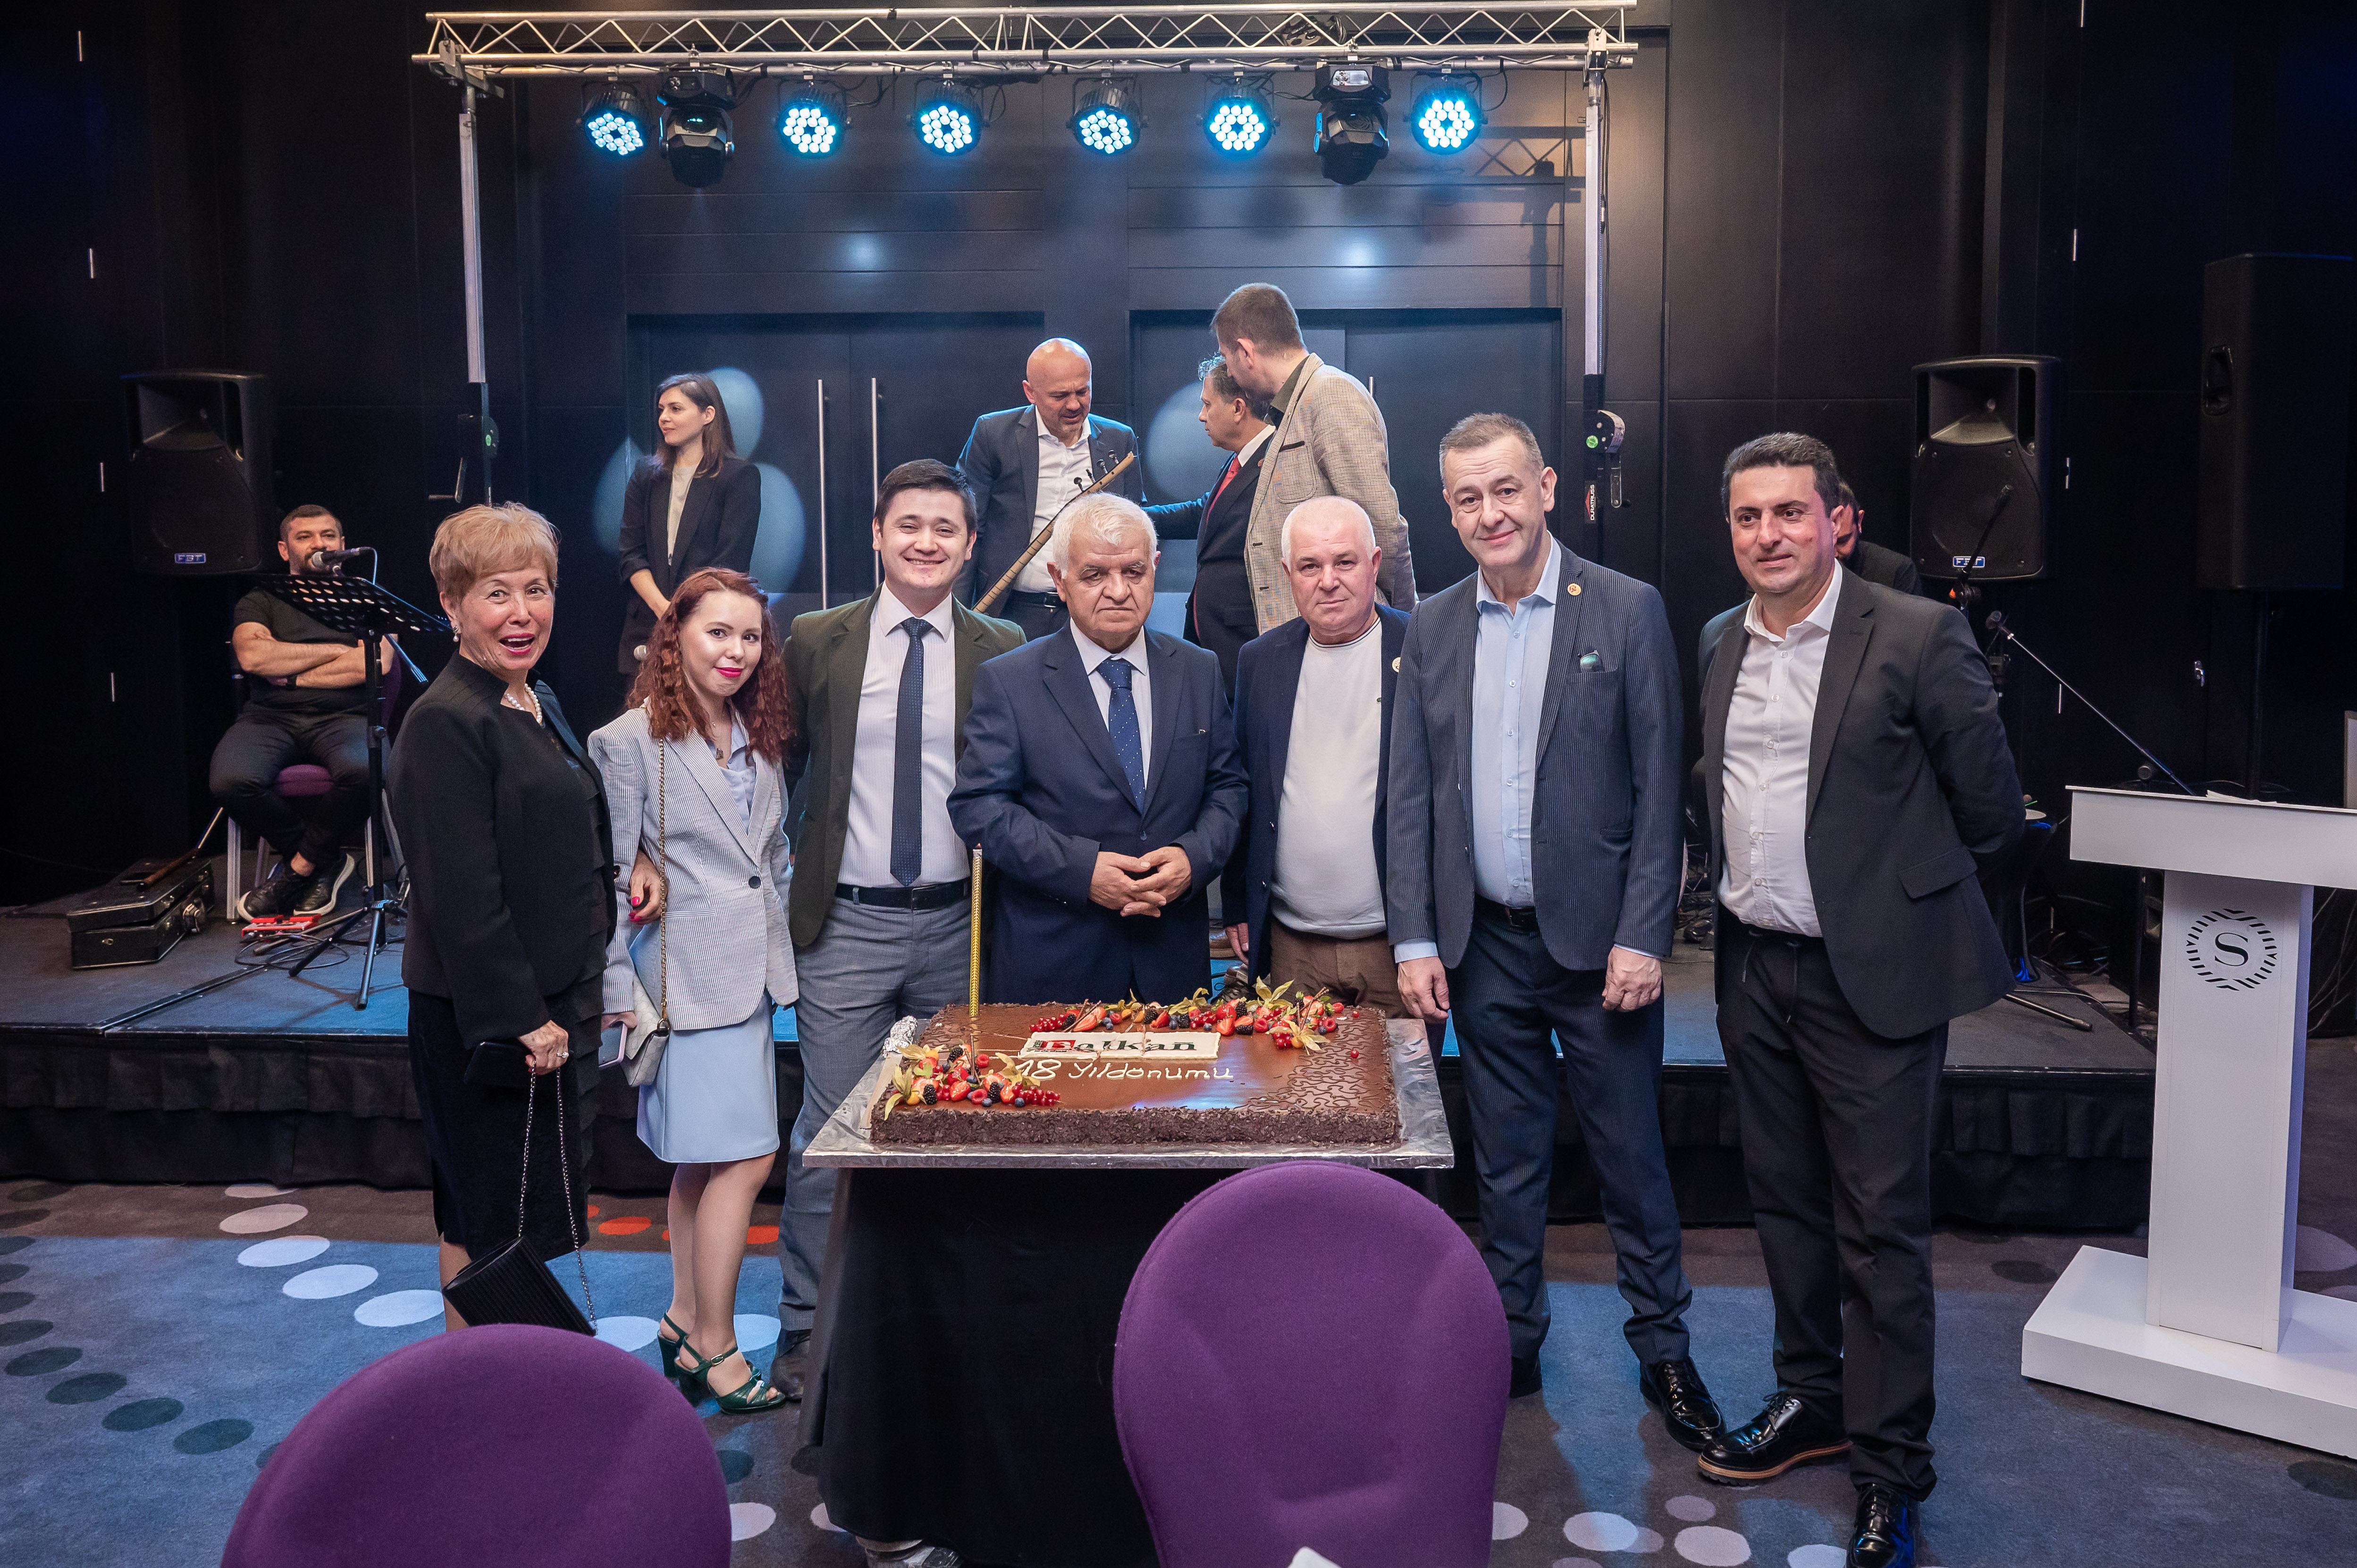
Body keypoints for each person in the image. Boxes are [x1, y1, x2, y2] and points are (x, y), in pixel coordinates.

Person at [1692, 434, 2020, 1568]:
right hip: (1754, 967)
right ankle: (1812, 1397)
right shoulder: (1716, 638)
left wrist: (1893, 906)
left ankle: (1889, 1464)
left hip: (1869, 978)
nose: (1768, 534)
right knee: (1783, 1201)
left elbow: (1990, 811)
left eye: (1789, 512)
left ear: (1836, 518)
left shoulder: (1917, 634)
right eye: (1747, 516)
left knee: (1881, 1233)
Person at [1387, 414, 1721, 1446]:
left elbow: (1661, 788)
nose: (1489, 513)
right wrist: (1413, 938)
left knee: (1630, 1158)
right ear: (1448, 511)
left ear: (1543, 487)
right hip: (1481, 945)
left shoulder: (1624, 608)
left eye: (1504, 489)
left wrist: (1643, 932)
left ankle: (1663, 1349)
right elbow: (1409, 794)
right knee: (1506, 1162)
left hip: (1598, 949)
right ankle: (1512, 1340)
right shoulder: (1430, 624)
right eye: (1466, 498)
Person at [775, 461, 1022, 1371]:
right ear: (877, 535)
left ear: (969, 544)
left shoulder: (1001, 646)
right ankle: (809, 1326)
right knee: (831, 1129)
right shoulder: (815, 640)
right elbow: (772, 762)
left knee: (954, 1127)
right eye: (908, 524)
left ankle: (940, 1320)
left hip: (961, 927)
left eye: (944, 527)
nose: (926, 541)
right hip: (845, 924)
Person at [389, 503, 614, 1335]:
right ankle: (481, 1389)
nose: (522, 612)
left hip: (554, 996)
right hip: (491, 1019)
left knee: (513, 1220)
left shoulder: (531, 695)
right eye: (496, 593)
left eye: (537, 589)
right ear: (451, 604)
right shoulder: (446, 719)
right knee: (491, 1224)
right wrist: (522, 1015)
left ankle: (490, 1382)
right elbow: (460, 895)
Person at [592, 569, 800, 1414]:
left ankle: (684, 1319)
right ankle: (717, 1345)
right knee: (745, 1159)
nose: (736, 650)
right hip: (683, 984)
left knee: (706, 1161)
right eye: (718, 632)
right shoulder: (627, 740)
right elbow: (610, 876)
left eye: (750, 636)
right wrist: (617, 990)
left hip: (751, 980)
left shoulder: (756, 729)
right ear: (674, 634)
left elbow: (769, 855)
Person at [949, 494, 1247, 1004]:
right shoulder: (1010, 681)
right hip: (1054, 969)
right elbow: (978, 808)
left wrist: (1193, 858)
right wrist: (1082, 871)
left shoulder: (1198, 669)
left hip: (1172, 968)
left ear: (1155, 568)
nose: (1118, 591)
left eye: (1133, 571)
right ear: (1059, 579)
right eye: (1094, 575)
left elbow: (1228, 787)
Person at [1221, 497, 1411, 1014]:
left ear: (1374, 565)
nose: (1328, 581)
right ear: (1288, 574)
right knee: (1294, 1073)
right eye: (1309, 566)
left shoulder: (1420, 647)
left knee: (1402, 1072)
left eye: (1344, 561)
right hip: (1291, 949)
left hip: (1398, 947)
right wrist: (1236, 901)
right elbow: (1243, 786)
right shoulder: (1259, 661)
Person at [211, 504, 386, 922]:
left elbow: (374, 664)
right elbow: (254, 657)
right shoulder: (261, 600)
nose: (318, 544)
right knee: (230, 782)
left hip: (345, 717)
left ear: (343, 545)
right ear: (284, 549)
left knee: (366, 770)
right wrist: (337, 649)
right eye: (305, 537)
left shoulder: (366, 597)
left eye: (328, 535)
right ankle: (326, 861)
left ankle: (298, 871)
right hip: (268, 719)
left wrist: (290, 674)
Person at [1211, 282, 1417, 629]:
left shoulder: (1330, 393)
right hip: (1312, 638)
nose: (1229, 372)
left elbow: (1381, 523)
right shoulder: (1293, 405)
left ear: (1245, 352)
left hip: (1347, 636)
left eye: (1226, 358)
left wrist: (1407, 628)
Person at [957, 338, 1145, 640]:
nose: (1074, 405)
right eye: (1060, 396)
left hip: (1094, 611)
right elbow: (966, 527)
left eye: (1083, 392)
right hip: (1012, 610)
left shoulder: (1119, 440)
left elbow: (1134, 527)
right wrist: (956, 616)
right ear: (1030, 392)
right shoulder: (993, 434)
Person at [617, 374, 761, 682]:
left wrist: (685, 615)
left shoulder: (738, 477)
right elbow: (631, 555)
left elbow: (730, 564)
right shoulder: (646, 474)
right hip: (647, 630)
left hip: (709, 630)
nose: (664, 418)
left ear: (707, 415)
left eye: (675, 409)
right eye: (661, 410)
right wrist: (664, 609)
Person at [1143, 355, 1273, 693]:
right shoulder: (1239, 459)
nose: (1201, 416)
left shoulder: (1279, 464)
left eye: (1207, 404)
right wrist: (1134, 517)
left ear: (1238, 408)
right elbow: (1204, 512)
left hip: (1244, 644)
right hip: (1215, 639)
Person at [1832, 481, 1923, 594]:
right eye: (1825, 543)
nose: (1833, 553)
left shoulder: (1897, 572)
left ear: (1859, 521)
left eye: (1842, 541)